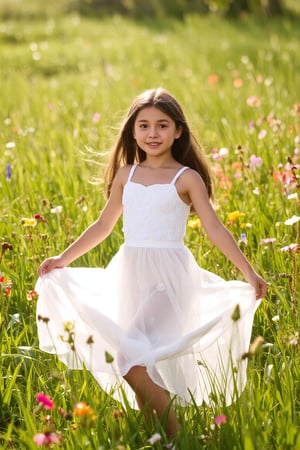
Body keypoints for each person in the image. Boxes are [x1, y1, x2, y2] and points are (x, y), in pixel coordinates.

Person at [36, 88, 267, 440]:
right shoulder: (126, 175)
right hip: (129, 274)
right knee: (141, 363)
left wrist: (249, 272)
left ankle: (179, 439)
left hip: (168, 279)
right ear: (133, 131)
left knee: (128, 357)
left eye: (162, 125)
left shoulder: (185, 178)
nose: (153, 133)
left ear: (178, 131)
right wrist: (62, 259)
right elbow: (102, 226)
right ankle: (157, 436)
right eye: (144, 125)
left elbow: (215, 228)